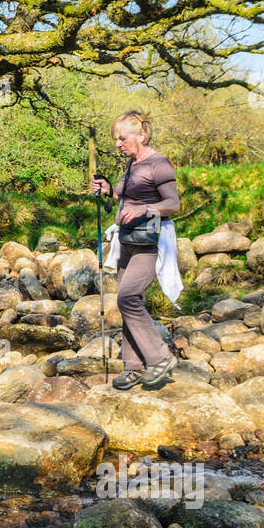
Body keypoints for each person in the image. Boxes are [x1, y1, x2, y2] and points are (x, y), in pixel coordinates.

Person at [89, 110, 182, 389]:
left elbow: (173, 203)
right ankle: (134, 367)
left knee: (128, 298)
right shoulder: (132, 164)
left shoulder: (159, 164)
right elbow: (124, 195)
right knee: (127, 303)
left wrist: (146, 209)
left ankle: (160, 358)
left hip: (150, 243)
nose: (117, 143)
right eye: (115, 139)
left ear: (141, 135)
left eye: (122, 138)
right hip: (127, 242)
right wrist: (107, 189)